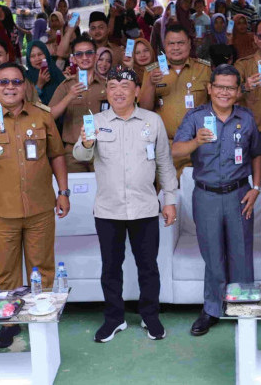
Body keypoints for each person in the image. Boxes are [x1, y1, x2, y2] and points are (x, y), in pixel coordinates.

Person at [0, 62, 69, 348]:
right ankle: (10, 322)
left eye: (16, 82)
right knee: (6, 272)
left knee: (42, 268)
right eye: (4, 82)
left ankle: (41, 318)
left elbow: (57, 154)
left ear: (25, 86)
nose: (10, 87)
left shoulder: (42, 115)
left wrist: (64, 191)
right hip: (1, 211)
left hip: (40, 208)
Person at [73, 66, 177, 342]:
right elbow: (81, 155)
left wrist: (170, 199)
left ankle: (150, 316)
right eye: (113, 86)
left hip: (145, 207)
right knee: (110, 268)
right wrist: (85, 142)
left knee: (148, 266)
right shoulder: (95, 120)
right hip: (108, 209)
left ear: (137, 92)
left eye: (125, 86)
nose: (119, 91)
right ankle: (114, 318)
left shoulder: (152, 121)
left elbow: (165, 163)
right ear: (107, 92)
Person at [172, 64, 261, 336]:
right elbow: (176, 150)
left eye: (230, 87)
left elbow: (257, 153)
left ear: (238, 91)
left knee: (241, 253)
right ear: (210, 89)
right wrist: (195, 143)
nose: (224, 92)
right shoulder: (196, 117)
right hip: (206, 195)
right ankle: (212, 309)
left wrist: (256, 187)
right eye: (219, 87)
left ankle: (243, 307)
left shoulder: (246, 119)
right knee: (212, 255)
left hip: (239, 194)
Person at [138, 24, 212, 174]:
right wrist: (151, 84)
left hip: (198, 145)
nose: (176, 47)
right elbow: (144, 110)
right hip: (165, 146)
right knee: (167, 194)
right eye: (171, 43)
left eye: (181, 43)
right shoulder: (152, 71)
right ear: (164, 46)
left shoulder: (204, 69)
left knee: (197, 192)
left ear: (189, 44)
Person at [49, 38, 108, 172]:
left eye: (89, 53)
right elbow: (49, 116)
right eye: (79, 54)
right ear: (74, 59)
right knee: (76, 191)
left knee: (104, 191)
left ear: (96, 56)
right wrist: (69, 96)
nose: (85, 57)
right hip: (72, 151)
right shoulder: (66, 86)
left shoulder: (108, 84)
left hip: (103, 148)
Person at [26, 40, 64, 105]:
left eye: (40, 54)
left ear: (46, 54)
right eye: (32, 56)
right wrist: (40, 84)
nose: (37, 58)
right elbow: (27, 101)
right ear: (29, 60)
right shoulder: (26, 77)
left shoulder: (55, 71)